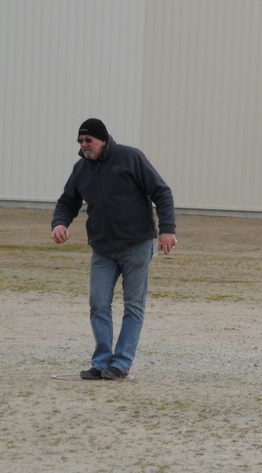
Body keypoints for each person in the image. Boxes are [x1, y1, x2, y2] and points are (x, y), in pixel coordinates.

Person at [51, 118, 177, 380]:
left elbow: (162, 192)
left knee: (133, 306)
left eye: (89, 140)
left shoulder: (130, 158)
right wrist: (59, 223)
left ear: (103, 140)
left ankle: (120, 364)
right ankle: (101, 363)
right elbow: (67, 201)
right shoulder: (81, 169)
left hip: (137, 244)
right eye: (81, 141)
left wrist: (167, 229)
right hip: (103, 249)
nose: (84, 145)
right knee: (98, 303)